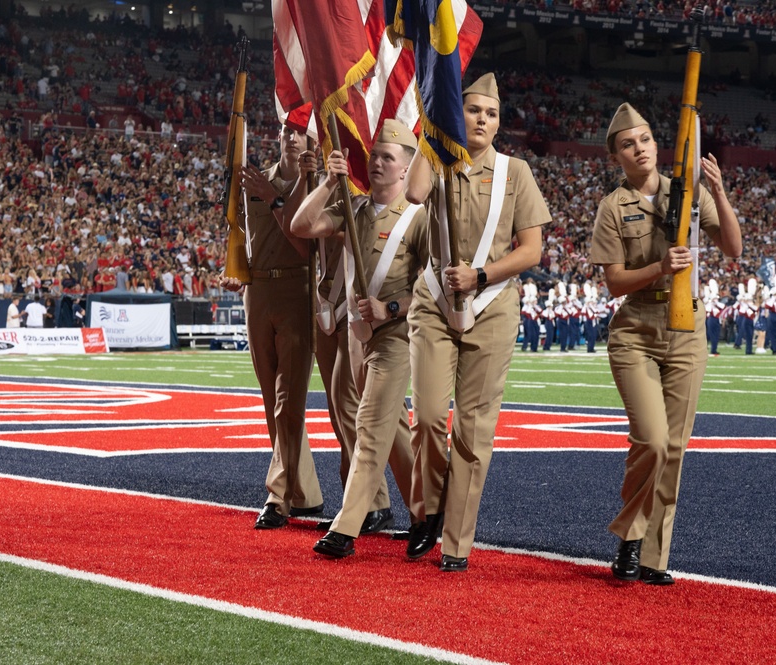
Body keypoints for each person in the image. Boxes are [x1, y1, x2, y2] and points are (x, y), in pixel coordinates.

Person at [403, 73, 551, 572]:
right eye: (472, 111)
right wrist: (430, 134)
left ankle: (456, 542)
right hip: (435, 303)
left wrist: (482, 274)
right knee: (424, 415)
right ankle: (429, 508)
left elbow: (531, 250)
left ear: (499, 122)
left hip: (492, 306)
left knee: (472, 430)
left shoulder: (517, 172)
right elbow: (414, 195)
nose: (482, 119)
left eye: (491, 113)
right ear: (456, 115)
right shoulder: (438, 162)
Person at [590, 103, 742, 585]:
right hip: (636, 329)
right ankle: (631, 536)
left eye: (646, 139)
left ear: (658, 145)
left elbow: (734, 249)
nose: (640, 148)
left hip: (687, 328)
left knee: (674, 448)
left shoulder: (691, 192)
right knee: (652, 441)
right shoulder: (613, 207)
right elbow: (614, 283)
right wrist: (659, 268)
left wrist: (717, 190)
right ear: (616, 155)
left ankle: (652, 556)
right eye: (628, 144)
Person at [292, 118, 428, 558]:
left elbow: (433, 284)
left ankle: (346, 527)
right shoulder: (356, 209)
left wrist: (392, 307)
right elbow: (302, 225)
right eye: (374, 156)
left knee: (369, 426)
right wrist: (331, 182)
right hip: (359, 337)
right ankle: (428, 512)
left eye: (388, 158)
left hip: (398, 336)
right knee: (393, 434)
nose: (377, 163)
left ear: (406, 168)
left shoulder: (418, 219)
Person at [220, 125, 323, 529]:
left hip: (297, 289)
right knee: (270, 399)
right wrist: (234, 271)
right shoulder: (254, 181)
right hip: (257, 292)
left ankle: (278, 495)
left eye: (301, 132)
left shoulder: (312, 185)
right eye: (287, 129)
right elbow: (243, 238)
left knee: (288, 397)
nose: (292, 137)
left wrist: (275, 198)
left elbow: (305, 246)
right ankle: (305, 493)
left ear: (313, 142)